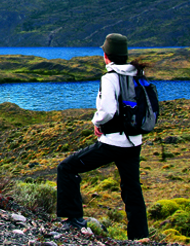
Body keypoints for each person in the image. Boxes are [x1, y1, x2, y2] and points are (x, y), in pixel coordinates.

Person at [56, 33, 149, 240]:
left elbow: (107, 110)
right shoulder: (137, 75)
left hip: (112, 142)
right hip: (134, 142)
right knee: (132, 189)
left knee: (67, 168)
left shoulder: (110, 78)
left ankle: (73, 219)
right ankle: (140, 237)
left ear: (107, 55)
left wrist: (96, 122)